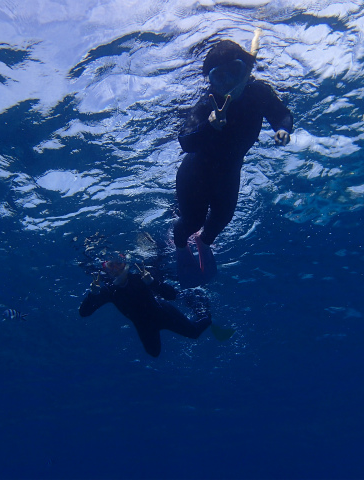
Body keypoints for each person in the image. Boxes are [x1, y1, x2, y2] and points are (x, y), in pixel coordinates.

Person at [174, 33, 294, 287]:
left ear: (245, 69)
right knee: (192, 221)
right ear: (211, 81)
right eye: (219, 76)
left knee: (222, 218)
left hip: (229, 173)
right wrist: (209, 125)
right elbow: (185, 140)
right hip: (195, 175)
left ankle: (203, 242)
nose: (228, 82)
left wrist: (282, 129)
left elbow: (280, 113)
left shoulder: (258, 92)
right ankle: (180, 245)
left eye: (234, 71)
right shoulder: (206, 104)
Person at [79, 254, 213, 357]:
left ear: (125, 264)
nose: (116, 269)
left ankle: (204, 313)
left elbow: (172, 295)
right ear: (105, 269)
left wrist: (152, 282)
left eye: (118, 263)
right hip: (144, 325)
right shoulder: (108, 291)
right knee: (154, 353)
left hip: (163, 314)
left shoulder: (139, 278)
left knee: (194, 332)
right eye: (111, 265)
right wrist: (93, 294)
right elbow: (84, 312)